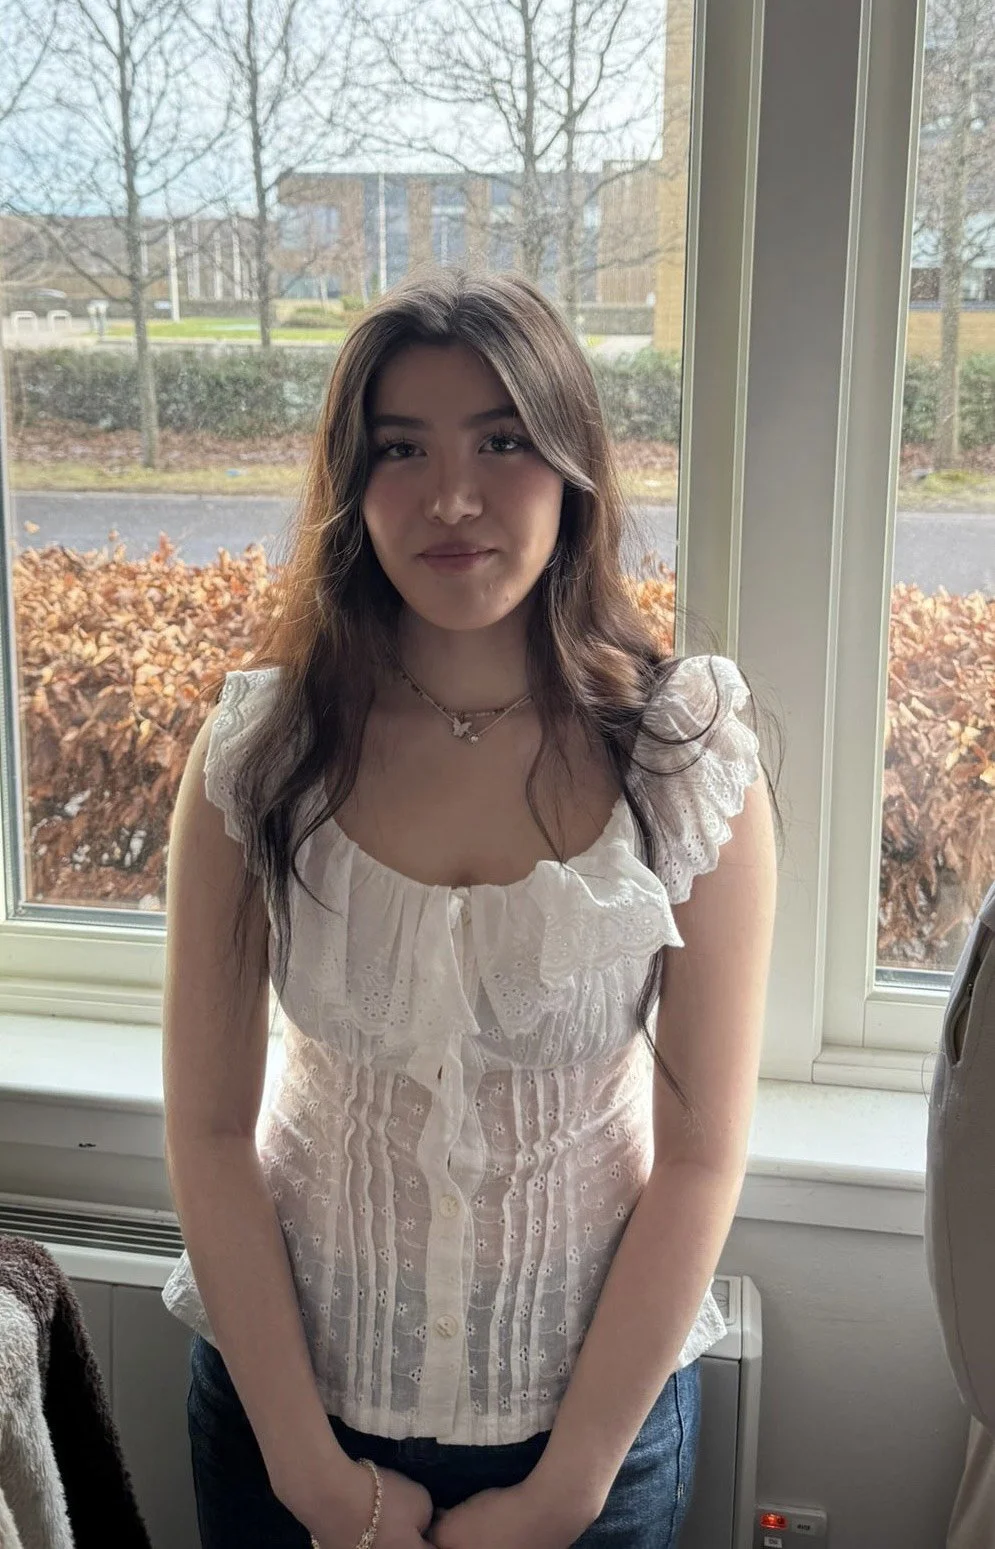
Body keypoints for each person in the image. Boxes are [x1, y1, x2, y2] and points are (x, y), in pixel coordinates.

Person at [160, 265, 782, 1549]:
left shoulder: (682, 752)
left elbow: (700, 1154)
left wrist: (564, 1491)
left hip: (590, 1438)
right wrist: (315, 1480)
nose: (452, 496)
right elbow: (210, 1130)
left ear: (570, 466)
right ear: (353, 482)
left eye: (501, 441)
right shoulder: (261, 753)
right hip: (286, 1425)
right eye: (403, 449)